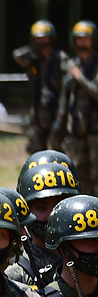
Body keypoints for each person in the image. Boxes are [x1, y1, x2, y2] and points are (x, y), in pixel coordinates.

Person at [54, 20, 98, 193]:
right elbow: (64, 97)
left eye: (85, 38)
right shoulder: (71, 65)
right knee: (77, 175)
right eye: (79, 39)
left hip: (95, 132)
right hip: (76, 132)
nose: (82, 42)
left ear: (93, 40)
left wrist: (79, 77)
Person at [14, 21, 69, 154]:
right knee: (35, 149)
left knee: (59, 148)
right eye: (37, 39)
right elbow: (17, 55)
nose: (41, 41)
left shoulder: (60, 58)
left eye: (43, 38)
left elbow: (67, 87)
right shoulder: (33, 59)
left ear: (51, 39)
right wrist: (33, 48)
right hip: (39, 110)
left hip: (57, 109)